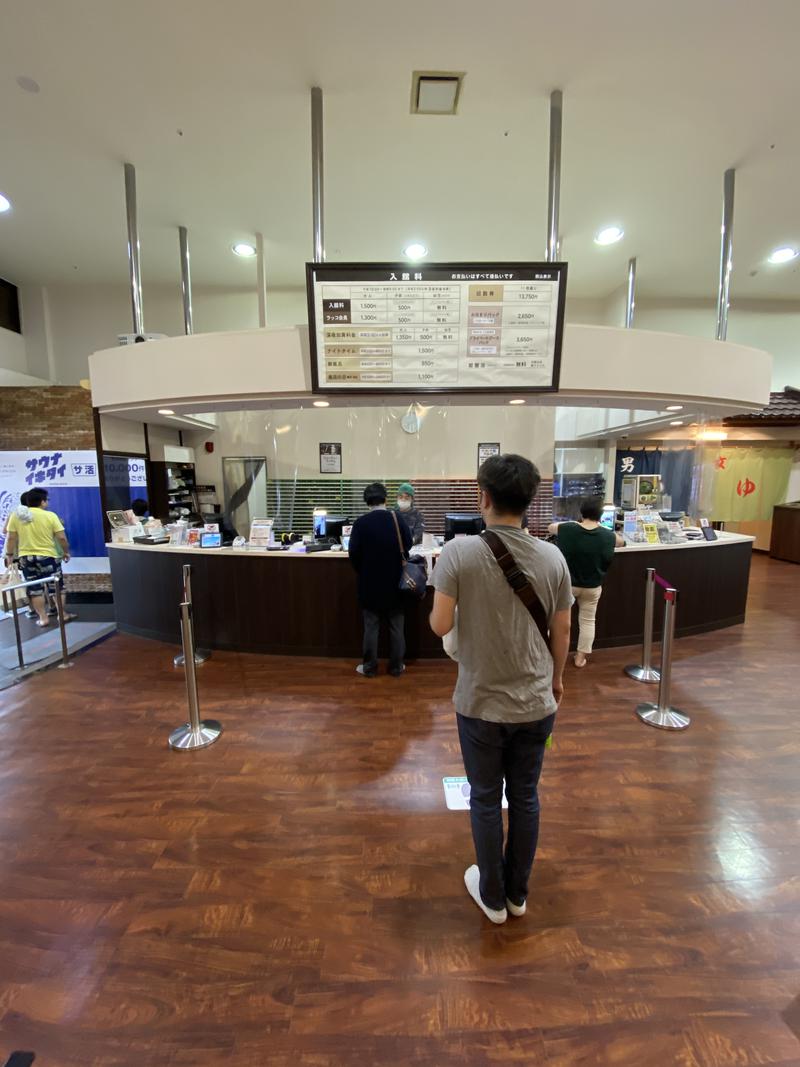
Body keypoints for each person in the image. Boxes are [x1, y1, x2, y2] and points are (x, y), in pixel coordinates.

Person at [430, 453, 572, 925]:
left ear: (483, 496)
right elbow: (563, 632)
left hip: (481, 702)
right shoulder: (554, 557)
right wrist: (556, 680)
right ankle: (518, 895)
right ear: (530, 500)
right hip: (537, 701)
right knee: (526, 796)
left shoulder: (458, 552)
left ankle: (491, 897)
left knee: (486, 797)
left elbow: (439, 625)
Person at [548, 500, 623, 669]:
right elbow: (621, 542)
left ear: (581, 513)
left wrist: (574, 522)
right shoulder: (607, 535)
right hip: (592, 587)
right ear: (601, 515)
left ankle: (552, 654)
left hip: (568, 585)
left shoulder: (568, 528)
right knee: (588, 621)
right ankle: (580, 658)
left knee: (557, 620)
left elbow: (551, 527)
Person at [348, 481, 412, 677]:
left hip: (370, 584)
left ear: (367, 501)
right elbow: (408, 545)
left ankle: (369, 668)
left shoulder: (361, 523)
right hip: (395, 583)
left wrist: (365, 571)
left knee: (371, 627)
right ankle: (396, 667)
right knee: (396, 626)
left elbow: (354, 555)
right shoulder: (397, 519)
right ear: (385, 499)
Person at [3, 487, 74, 627]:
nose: (47, 502)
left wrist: (10, 555)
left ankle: (43, 618)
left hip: (26, 558)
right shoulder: (50, 516)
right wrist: (65, 552)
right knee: (56, 587)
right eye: (46, 500)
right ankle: (62, 615)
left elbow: (11, 538)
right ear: (42, 502)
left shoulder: (16, 516)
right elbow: (61, 538)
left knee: (35, 590)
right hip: (49, 556)